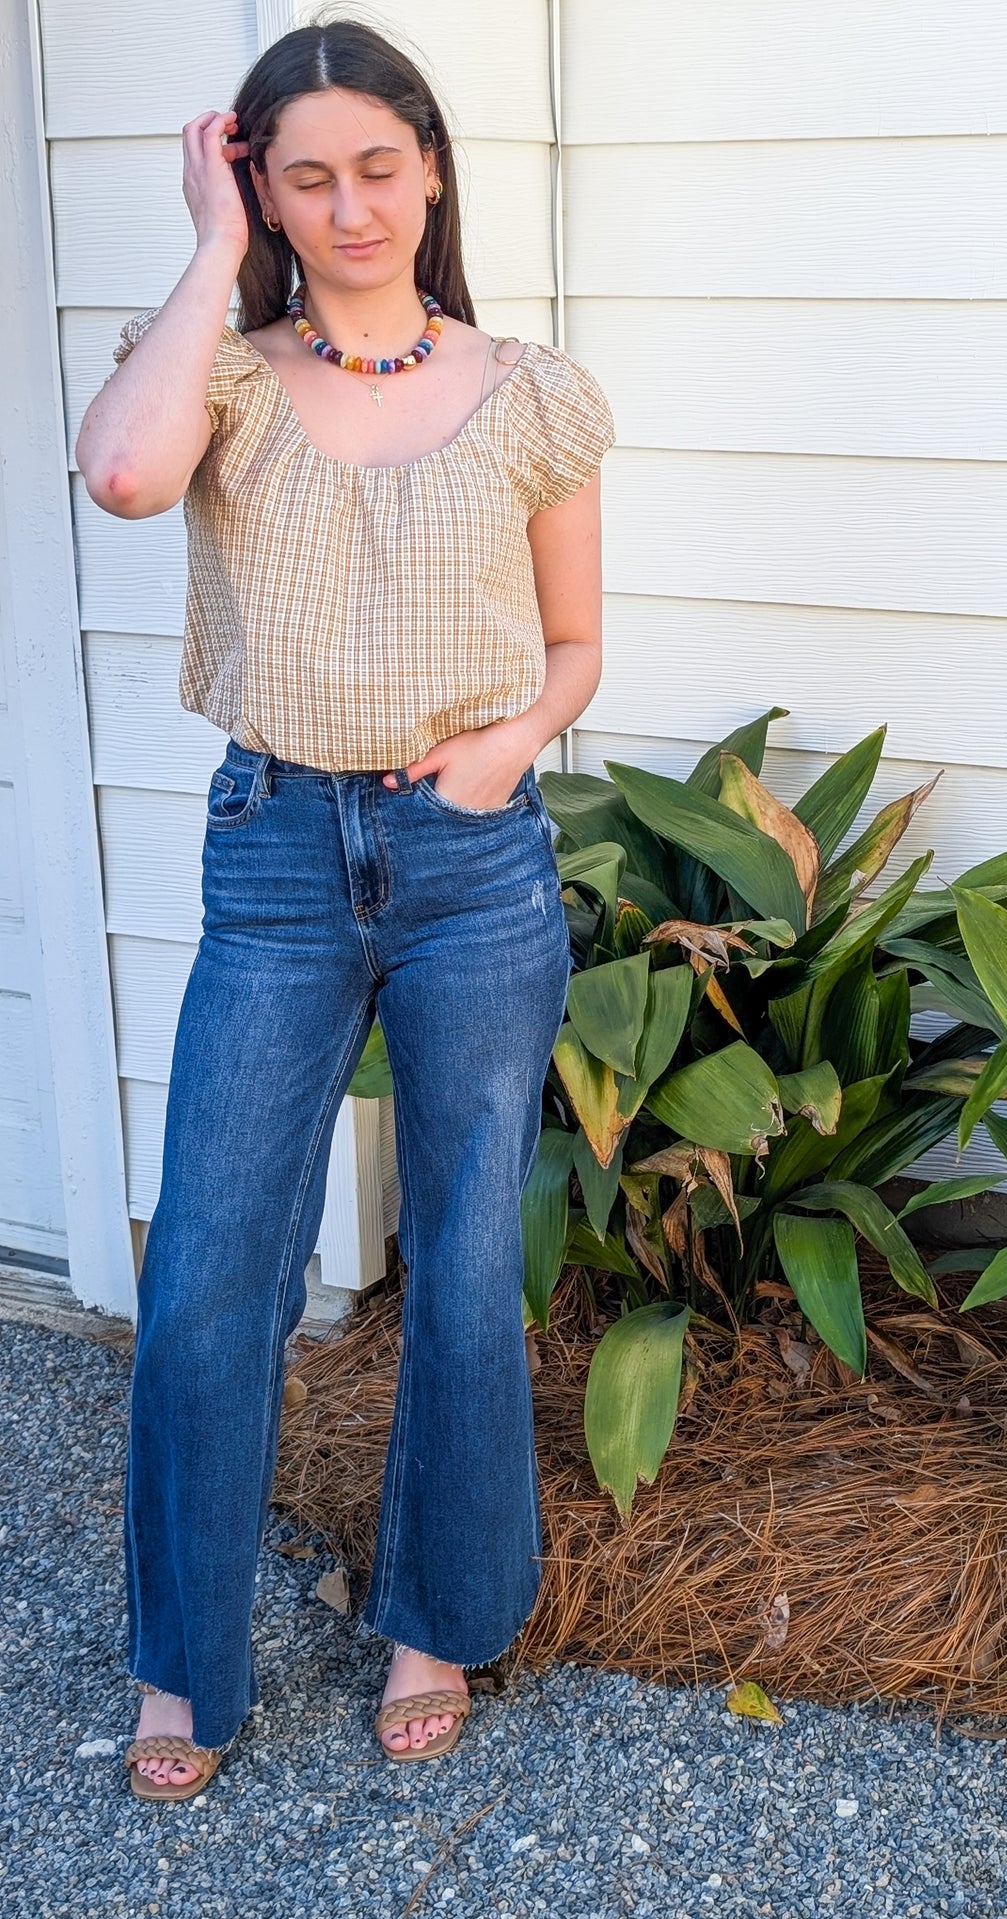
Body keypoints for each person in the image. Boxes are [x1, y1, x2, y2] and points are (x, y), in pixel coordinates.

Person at [74, 18, 613, 1800]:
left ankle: (436, 1615)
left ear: (433, 169)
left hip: (474, 866)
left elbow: (575, 648)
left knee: (461, 1257)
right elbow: (124, 475)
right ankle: (183, 1662)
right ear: (261, 187)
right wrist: (213, 247)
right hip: (277, 856)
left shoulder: (530, 390)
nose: (350, 203)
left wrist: (507, 746)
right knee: (216, 1260)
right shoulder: (221, 377)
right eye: (303, 174)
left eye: (378, 165)